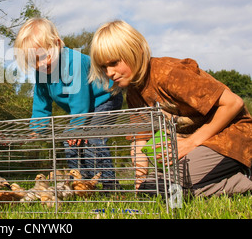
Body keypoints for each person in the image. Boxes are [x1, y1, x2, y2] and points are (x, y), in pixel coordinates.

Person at [89, 20, 252, 196]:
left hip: (232, 138)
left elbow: (233, 103)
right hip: (193, 146)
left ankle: (243, 181)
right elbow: (140, 138)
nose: (109, 72)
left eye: (113, 63)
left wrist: (190, 142)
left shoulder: (170, 73)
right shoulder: (134, 93)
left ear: (136, 51)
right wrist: (140, 178)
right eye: (103, 67)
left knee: (169, 187)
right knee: (151, 189)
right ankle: (229, 180)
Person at [14, 17, 123, 188]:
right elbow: (41, 105)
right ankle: (82, 186)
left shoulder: (74, 62)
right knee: (70, 140)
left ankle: (111, 187)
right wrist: (36, 130)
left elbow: (80, 100)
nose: (41, 63)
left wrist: (76, 129)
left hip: (104, 99)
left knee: (91, 139)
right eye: (33, 60)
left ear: (57, 44)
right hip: (84, 109)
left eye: (44, 56)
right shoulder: (42, 72)